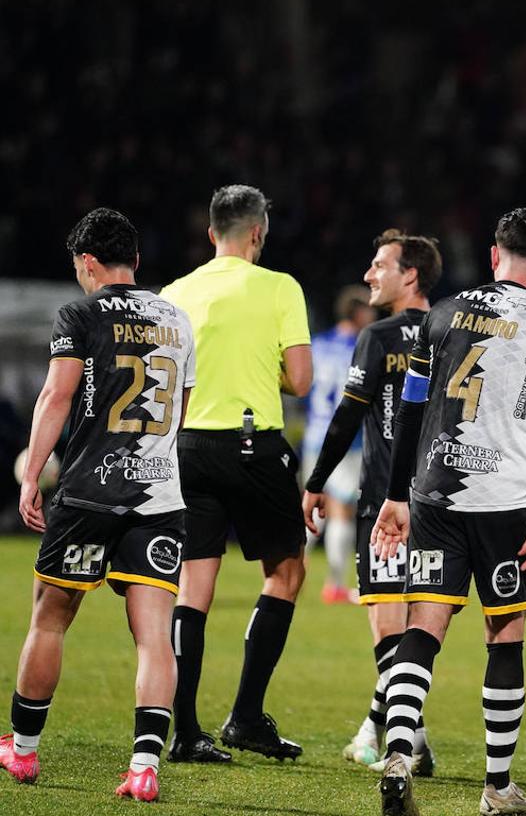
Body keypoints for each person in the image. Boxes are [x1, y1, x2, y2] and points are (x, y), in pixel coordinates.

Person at [372, 208, 526, 816]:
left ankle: (397, 751)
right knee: (504, 635)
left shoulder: (440, 315)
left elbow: (411, 407)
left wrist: (396, 494)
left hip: (435, 490)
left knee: (423, 626)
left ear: (494, 255)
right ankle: (496, 787)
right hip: (506, 501)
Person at [1, 208, 195, 803]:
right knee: (153, 635)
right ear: (133, 260)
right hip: (159, 495)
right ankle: (143, 767)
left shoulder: (80, 313)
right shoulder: (178, 319)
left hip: (89, 491)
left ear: (88, 263)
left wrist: (31, 475)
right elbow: (180, 410)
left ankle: (23, 751)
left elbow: (57, 394)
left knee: (51, 618)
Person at [160, 185, 313, 763]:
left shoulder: (176, 292)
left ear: (210, 234)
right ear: (257, 233)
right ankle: (246, 715)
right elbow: (299, 379)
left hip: (187, 448)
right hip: (252, 447)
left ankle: (185, 731)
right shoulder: (279, 287)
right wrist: (256, 370)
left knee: (193, 590)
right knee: (286, 570)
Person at [300, 230, 442, 772]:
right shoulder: (452, 332)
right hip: (440, 508)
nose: (369, 275)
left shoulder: (380, 335)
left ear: (410, 275)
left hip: (386, 505)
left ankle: (409, 746)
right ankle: (402, 737)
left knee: (389, 631)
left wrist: (314, 482)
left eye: (379, 265)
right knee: (419, 633)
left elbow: (348, 416)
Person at [303, 285, 376, 604]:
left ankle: (290, 570)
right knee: (341, 509)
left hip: (314, 435)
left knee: (312, 506)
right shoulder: (361, 346)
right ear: (359, 312)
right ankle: (335, 583)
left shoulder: (317, 344)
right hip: (347, 439)